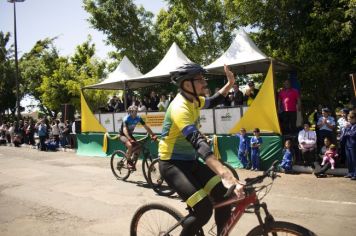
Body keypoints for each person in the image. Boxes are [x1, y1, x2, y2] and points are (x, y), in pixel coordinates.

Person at [158, 63, 244, 236]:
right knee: (203, 210)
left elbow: (213, 100)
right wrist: (225, 173)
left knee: (225, 196)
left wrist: (230, 83)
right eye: (200, 79)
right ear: (187, 84)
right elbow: (198, 142)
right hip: (172, 164)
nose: (204, 82)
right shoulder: (179, 107)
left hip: (189, 161)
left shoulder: (194, 100)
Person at [340, 111, 356, 180]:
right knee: (349, 160)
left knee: (354, 160)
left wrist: (347, 132)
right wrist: (345, 129)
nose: (348, 121)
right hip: (347, 144)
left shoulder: (354, 126)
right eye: (348, 119)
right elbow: (343, 136)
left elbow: (353, 134)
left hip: (354, 145)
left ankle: (355, 174)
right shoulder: (348, 126)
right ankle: (350, 173)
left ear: (354, 119)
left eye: (350, 119)